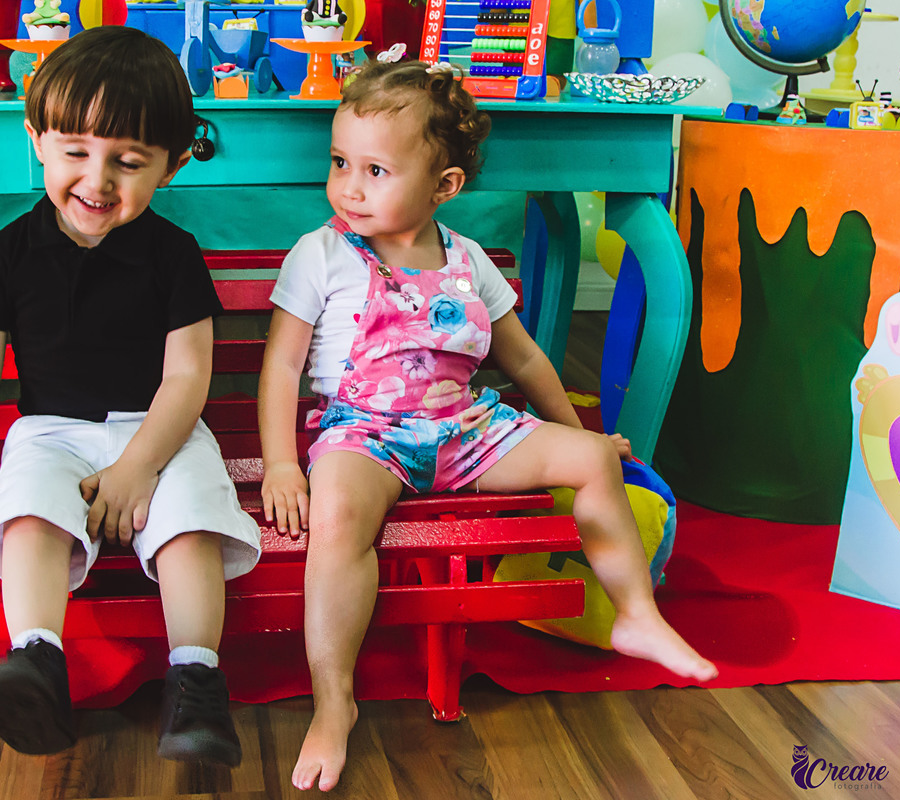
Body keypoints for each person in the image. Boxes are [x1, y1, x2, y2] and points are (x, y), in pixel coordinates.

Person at [257, 60, 718, 792]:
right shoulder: (322, 254)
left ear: (445, 187)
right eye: (341, 162)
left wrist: (582, 434)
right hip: (363, 434)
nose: (349, 185)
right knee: (339, 517)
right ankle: (333, 698)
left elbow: (528, 360)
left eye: (376, 170)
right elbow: (281, 368)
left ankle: (635, 612)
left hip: (464, 428)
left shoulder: (469, 262)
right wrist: (283, 463)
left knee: (592, 462)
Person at [0, 26, 261, 766]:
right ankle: (38, 662)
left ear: (169, 168)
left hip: (161, 431)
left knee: (188, 524)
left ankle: (197, 679)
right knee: (30, 516)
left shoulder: (173, 256)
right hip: (50, 431)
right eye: (75, 151)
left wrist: (140, 466)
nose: (96, 179)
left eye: (128, 161)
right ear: (37, 140)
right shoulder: (8, 252)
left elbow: (187, 379)